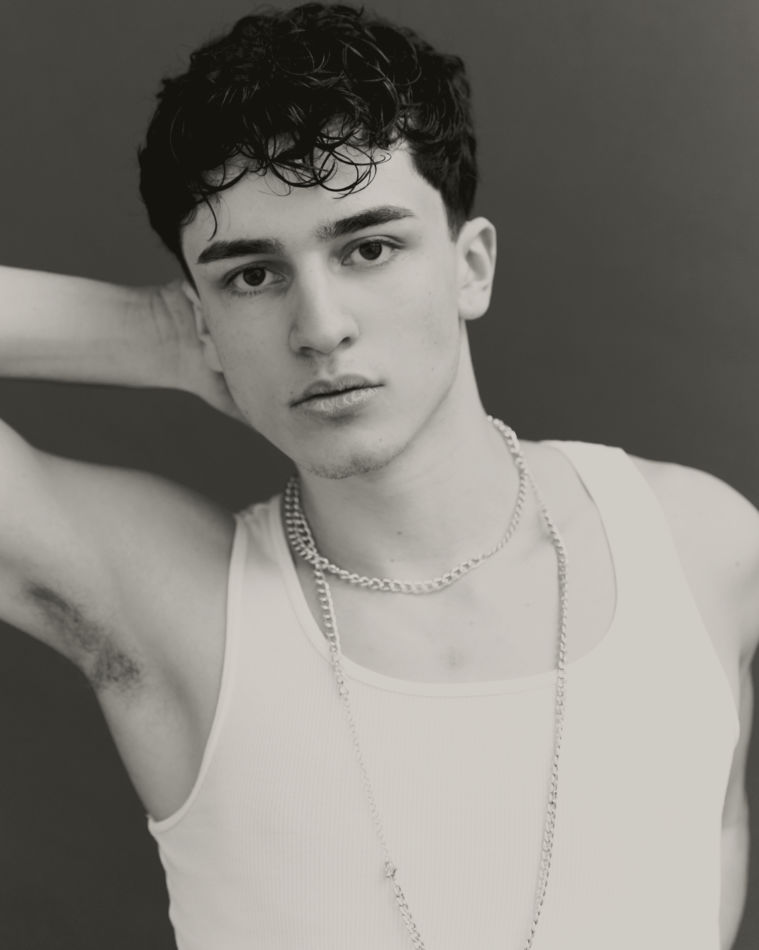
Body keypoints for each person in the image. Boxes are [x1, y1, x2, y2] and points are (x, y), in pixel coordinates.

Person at [1, 3, 757, 948]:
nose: (320, 328)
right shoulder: (176, 611)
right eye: (252, 276)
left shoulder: (698, 547)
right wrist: (158, 333)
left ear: (469, 266)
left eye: (368, 248)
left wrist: (211, 310)